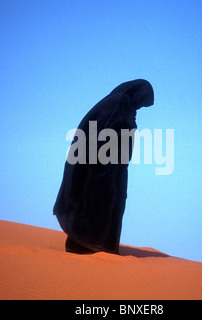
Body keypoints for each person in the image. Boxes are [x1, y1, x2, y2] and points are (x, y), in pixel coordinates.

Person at [53, 79, 154, 254]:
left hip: (103, 167)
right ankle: (89, 245)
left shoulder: (112, 104)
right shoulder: (120, 106)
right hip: (102, 169)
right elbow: (112, 136)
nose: (139, 107)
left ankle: (89, 244)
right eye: (140, 103)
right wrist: (106, 171)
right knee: (100, 203)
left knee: (98, 203)